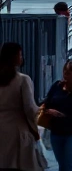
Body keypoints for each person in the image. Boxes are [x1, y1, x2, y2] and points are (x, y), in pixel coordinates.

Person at [0, 42, 47, 171]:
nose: (22, 58)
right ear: (15, 57)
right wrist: (43, 111)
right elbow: (30, 109)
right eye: (20, 55)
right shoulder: (23, 80)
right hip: (18, 133)